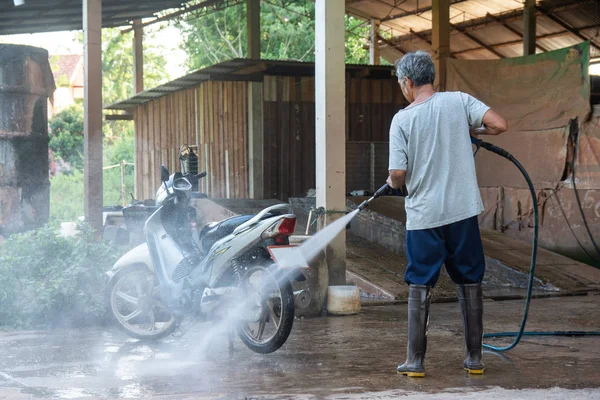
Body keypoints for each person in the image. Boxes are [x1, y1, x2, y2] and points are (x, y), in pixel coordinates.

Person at [387, 51, 507, 378]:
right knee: (470, 278)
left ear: (408, 82)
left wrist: (393, 181)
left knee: (420, 281)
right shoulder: (459, 101)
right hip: (462, 210)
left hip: (425, 216)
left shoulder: (403, 119)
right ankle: (474, 359)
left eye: (401, 82)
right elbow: (499, 124)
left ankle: (415, 361)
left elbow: (398, 173)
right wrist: (473, 132)